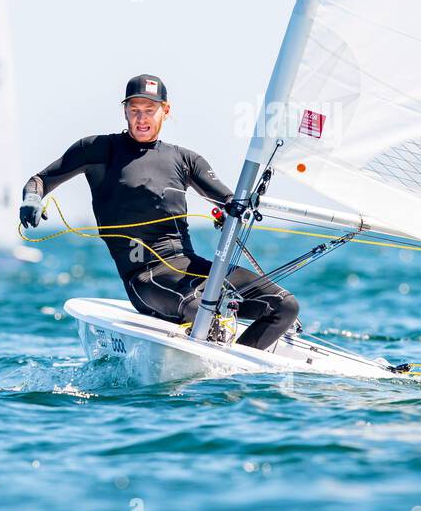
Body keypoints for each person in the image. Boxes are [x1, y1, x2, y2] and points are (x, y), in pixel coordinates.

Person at [19, 74, 300, 350]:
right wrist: (32, 198)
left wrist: (234, 207)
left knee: (285, 307)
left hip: (190, 266)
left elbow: (226, 198)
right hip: (144, 276)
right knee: (202, 310)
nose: (142, 118)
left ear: (165, 111)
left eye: (150, 110)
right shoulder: (99, 150)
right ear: (125, 112)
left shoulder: (185, 159)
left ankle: (239, 370)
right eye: (134, 110)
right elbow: (40, 180)